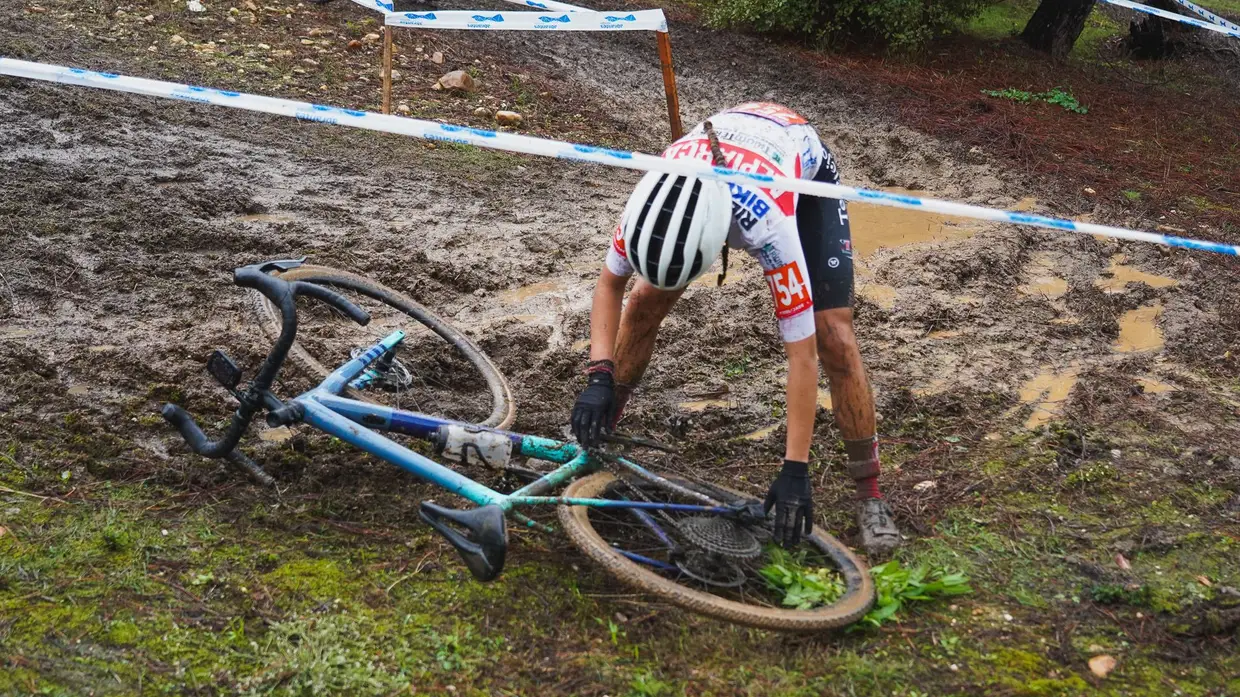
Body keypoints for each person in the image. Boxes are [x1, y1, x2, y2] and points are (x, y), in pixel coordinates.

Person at [569, 102, 900, 555]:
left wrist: (795, 469)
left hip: (798, 164)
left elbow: (801, 357)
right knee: (645, 299)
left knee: (833, 336)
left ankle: (871, 495)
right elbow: (611, 286)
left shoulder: (768, 227)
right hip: (719, 152)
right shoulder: (645, 203)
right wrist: (599, 375)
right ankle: (603, 431)